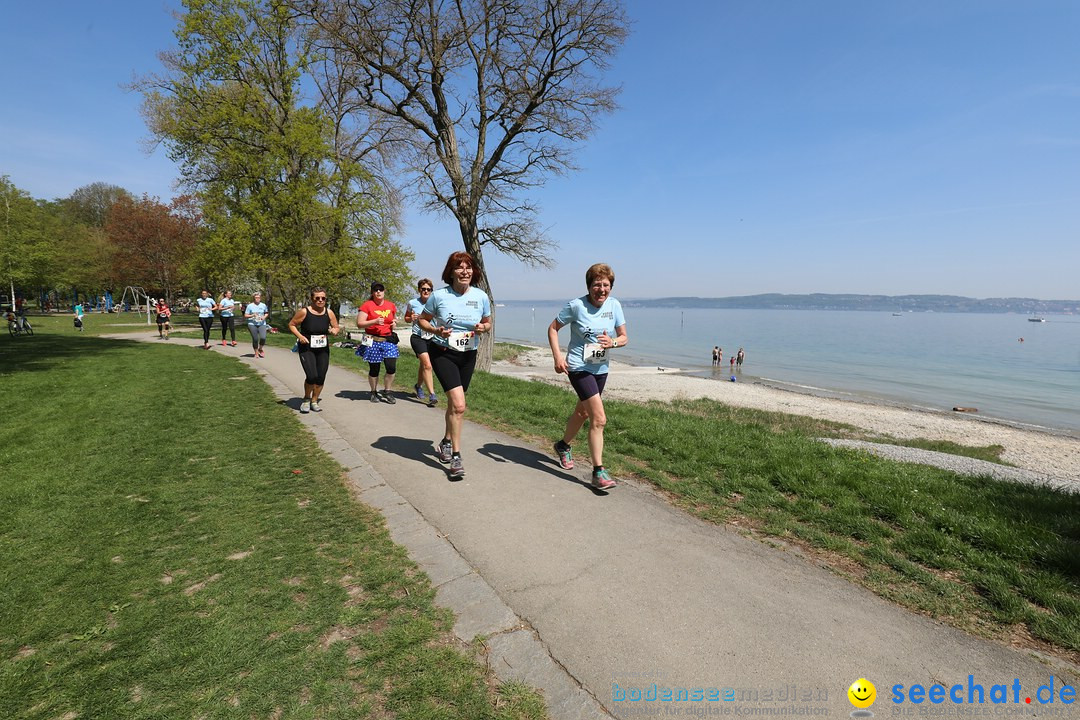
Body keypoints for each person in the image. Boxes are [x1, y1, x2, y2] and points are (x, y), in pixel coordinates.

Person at [548, 263, 627, 491]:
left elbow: (623, 337)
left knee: (583, 411)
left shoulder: (614, 306)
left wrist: (612, 342)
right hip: (579, 366)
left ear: (610, 287)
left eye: (606, 285)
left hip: (600, 368)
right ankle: (598, 472)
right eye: (597, 285)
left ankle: (563, 446)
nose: (601, 289)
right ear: (589, 286)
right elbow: (553, 329)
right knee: (599, 418)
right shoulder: (576, 306)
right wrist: (557, 357)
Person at [418, 252, 493, 479]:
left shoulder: (480, 296)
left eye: (468, 267)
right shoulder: (439, 296)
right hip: (443, 353)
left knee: (454, 404)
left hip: (468, 355)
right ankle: (457, 458)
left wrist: (483, 328)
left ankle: (446, 442)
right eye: (459, 268)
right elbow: (423, 319)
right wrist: (435, 330)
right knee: (460, 406)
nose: (464, 271)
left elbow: (488, 323)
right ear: (450, 272)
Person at [288, 288, 340, 413]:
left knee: (321, 377)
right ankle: (306, 399)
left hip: (323, 348)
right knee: (311, 376)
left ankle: (314, 400)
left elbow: (336, 327)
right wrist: (300, 336)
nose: (320, 300)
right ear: (312, 299)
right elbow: (292, 324)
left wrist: (334, 331)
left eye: (323, 298)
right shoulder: (304, 312)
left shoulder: (329, 313)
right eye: (317, 298)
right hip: (307, 347)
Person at [356, 282, 399, 404]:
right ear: (372, 293)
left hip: (388, 339)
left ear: (384, 291)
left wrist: (394, 323)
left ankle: (387, 390)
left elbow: (393, 319)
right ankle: (373, 391)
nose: (378, 292)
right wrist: (374, 321)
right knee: (374, 368)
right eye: (376, 290)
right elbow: (359, 324)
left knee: (391, 367)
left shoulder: (391, 305)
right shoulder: (367, 306)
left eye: (380, 290)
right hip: (373, 340)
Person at [403, 278, 438, 407]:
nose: (426, 291)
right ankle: (432, 395)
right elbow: (406, 318)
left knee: (424, 365)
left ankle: (418, 386)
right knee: (428, 366)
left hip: (432, 337)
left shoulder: (435, 303)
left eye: (428, 289)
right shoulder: (412, 303)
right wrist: (410, 318)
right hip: (417, 337)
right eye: (423, 289)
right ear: (419, 290)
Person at [244, 292, 270, 357]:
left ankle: (260, 349)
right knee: (255, 338)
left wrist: (264, 317)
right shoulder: (250, 306)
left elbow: (266, 313)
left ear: (260, 298)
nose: (257, 299)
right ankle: (256, 352)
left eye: (258, 297)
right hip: (252, 323)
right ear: (254, 298)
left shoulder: (263, 305)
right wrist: (252, 315)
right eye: (256, 298)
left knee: (263, 338)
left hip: (262, 323)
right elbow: (245, 315)